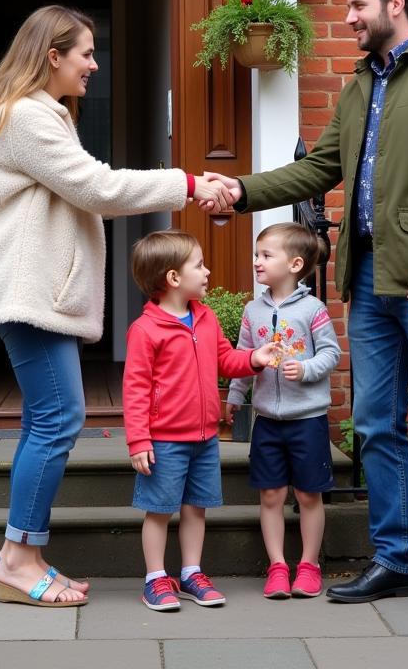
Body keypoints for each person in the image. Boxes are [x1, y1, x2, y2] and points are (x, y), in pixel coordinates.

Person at [205, 0, 408, 615]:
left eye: (358, 5)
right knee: (376, 424)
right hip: (368, 280)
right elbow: (319, 169)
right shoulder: (361, 83)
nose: (349, 17)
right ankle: (394, 560)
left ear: (396, 5)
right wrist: (241, 192)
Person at [0, 5, 234, 609]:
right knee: (58, 419)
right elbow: (97, 188)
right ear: (52, 56)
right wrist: (187, 184)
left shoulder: (36, 114)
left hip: (27, 295)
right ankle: (20, 560)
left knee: (45, 420)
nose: (94, 63)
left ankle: (22, 556)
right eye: (85, 52)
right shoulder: (27, 116)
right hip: (25, 297)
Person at [122, 229, 280, 612]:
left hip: (205, 436)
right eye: (199, 265)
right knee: (159, 510)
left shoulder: (205, 318)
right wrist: (138, 440)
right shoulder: (145, 330)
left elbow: (226, 360)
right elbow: (135, 388)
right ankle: (156, 579)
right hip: (163, 440)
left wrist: (254, 359)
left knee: (196, 506)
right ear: (173, 278)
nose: (207, 271)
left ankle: (191, 572)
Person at [226, 222, 341, 600]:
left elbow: (331, 353)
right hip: (267, 422)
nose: (257, 262)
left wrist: (306, 369)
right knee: (271, 496)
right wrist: (235, 396)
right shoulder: (252, 311)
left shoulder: (313, 309)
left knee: (309, 495)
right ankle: (277, 565)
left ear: (294, 264)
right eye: (257, 255)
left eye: (265, 255)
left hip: (306, 420)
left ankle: (308, 565)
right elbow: (243, 357)